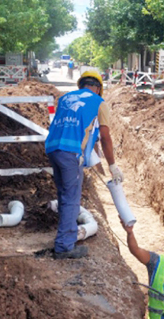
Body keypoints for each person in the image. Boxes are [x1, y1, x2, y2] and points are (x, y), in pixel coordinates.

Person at [45, 70, 123, 259]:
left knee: (64, 193)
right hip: (70, 152)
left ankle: (65, 237)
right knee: (72, 198)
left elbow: (74, 126)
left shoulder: (65, 98)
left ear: (81, 85)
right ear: (98, 88)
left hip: (53, 148)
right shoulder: (98, 102)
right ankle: (64, 246)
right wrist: (112, 165)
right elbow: (105, 137)